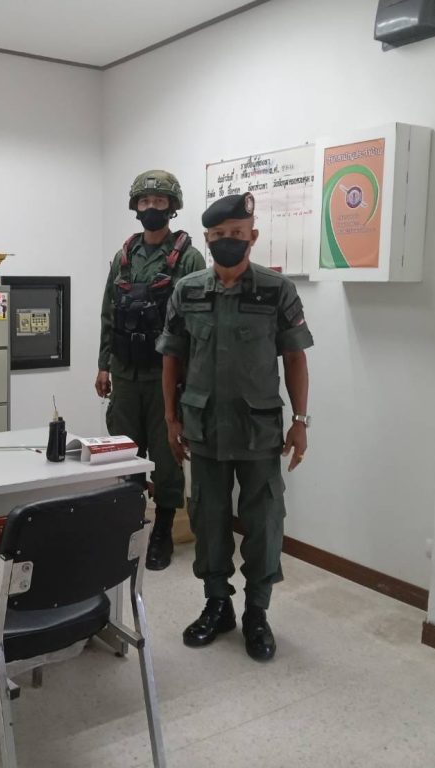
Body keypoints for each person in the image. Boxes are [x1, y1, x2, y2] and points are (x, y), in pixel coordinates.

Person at [156, 192, 313, 661]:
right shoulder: (187, 291)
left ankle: (257, 612)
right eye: (220, 235)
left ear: (253, 236)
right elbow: (172, 358)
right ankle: (217, 605)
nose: (229, 241)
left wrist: (300, 421)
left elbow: (295, 358)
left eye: (238, 234)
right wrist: (170, 418)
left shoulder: (276, 290)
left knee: (264, 523)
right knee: (208, 518)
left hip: (257, 430)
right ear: (208, 239)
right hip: (203, 427)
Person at [97, 170, 206, 570]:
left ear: (171, 207)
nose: (151, 208)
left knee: (165, 455)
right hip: (125, 373)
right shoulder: (124, 256)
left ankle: (162, 529)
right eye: (144, 201)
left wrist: (189, 381)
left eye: (159, 202)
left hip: (166, 378)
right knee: (124, 452)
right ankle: (127, 524)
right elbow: (109, 313)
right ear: (136, 207)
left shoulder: (189, 258)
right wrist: (103, 365)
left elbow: (195, 323)